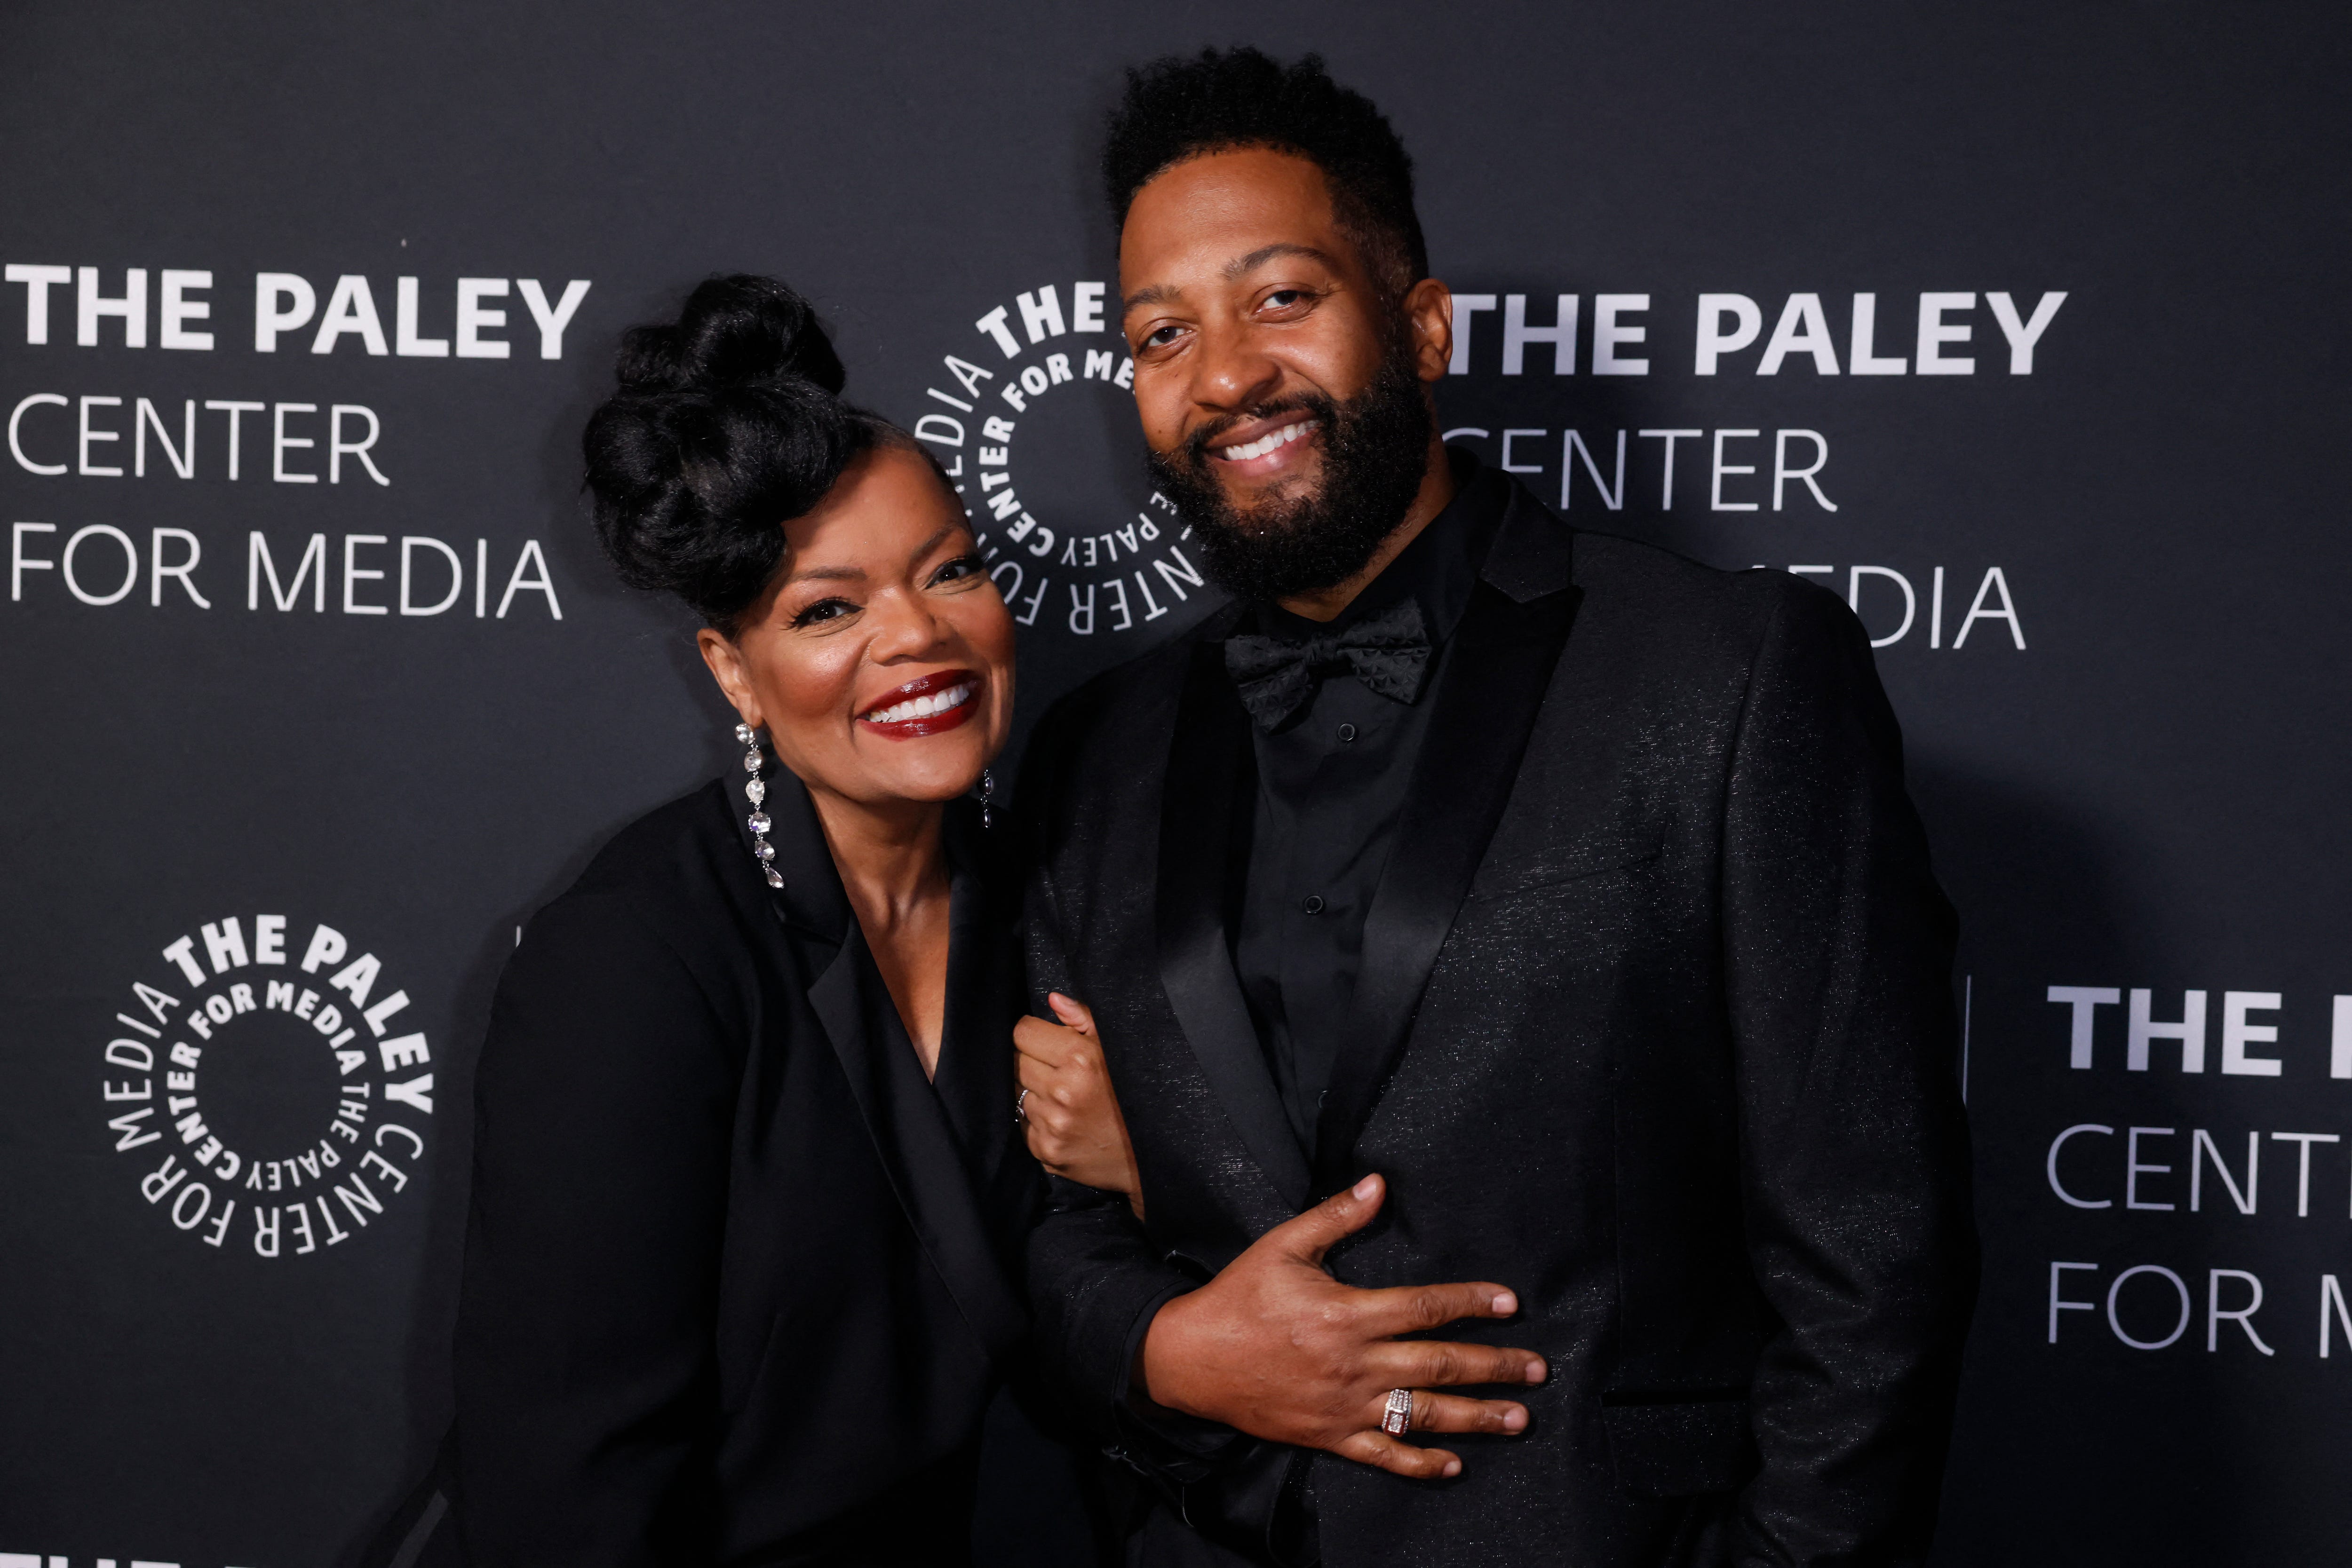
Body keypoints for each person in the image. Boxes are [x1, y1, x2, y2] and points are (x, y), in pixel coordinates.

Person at [1012, 49, 1979, 1568]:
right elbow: (1063, 1229)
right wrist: (1169, 1351)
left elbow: (1874, 1267)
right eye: (1159, 334)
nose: (1224, 377)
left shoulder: (1726, 681)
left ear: (1420, 323)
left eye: (1281, 299)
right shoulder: (1096, 750)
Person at [380, 275, 1108, 1568]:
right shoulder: (630, 965)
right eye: (829, 610)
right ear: (734, 673)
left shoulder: (1071, 903)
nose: (919, 637)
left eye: (953, 571)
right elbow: (571, 1494)